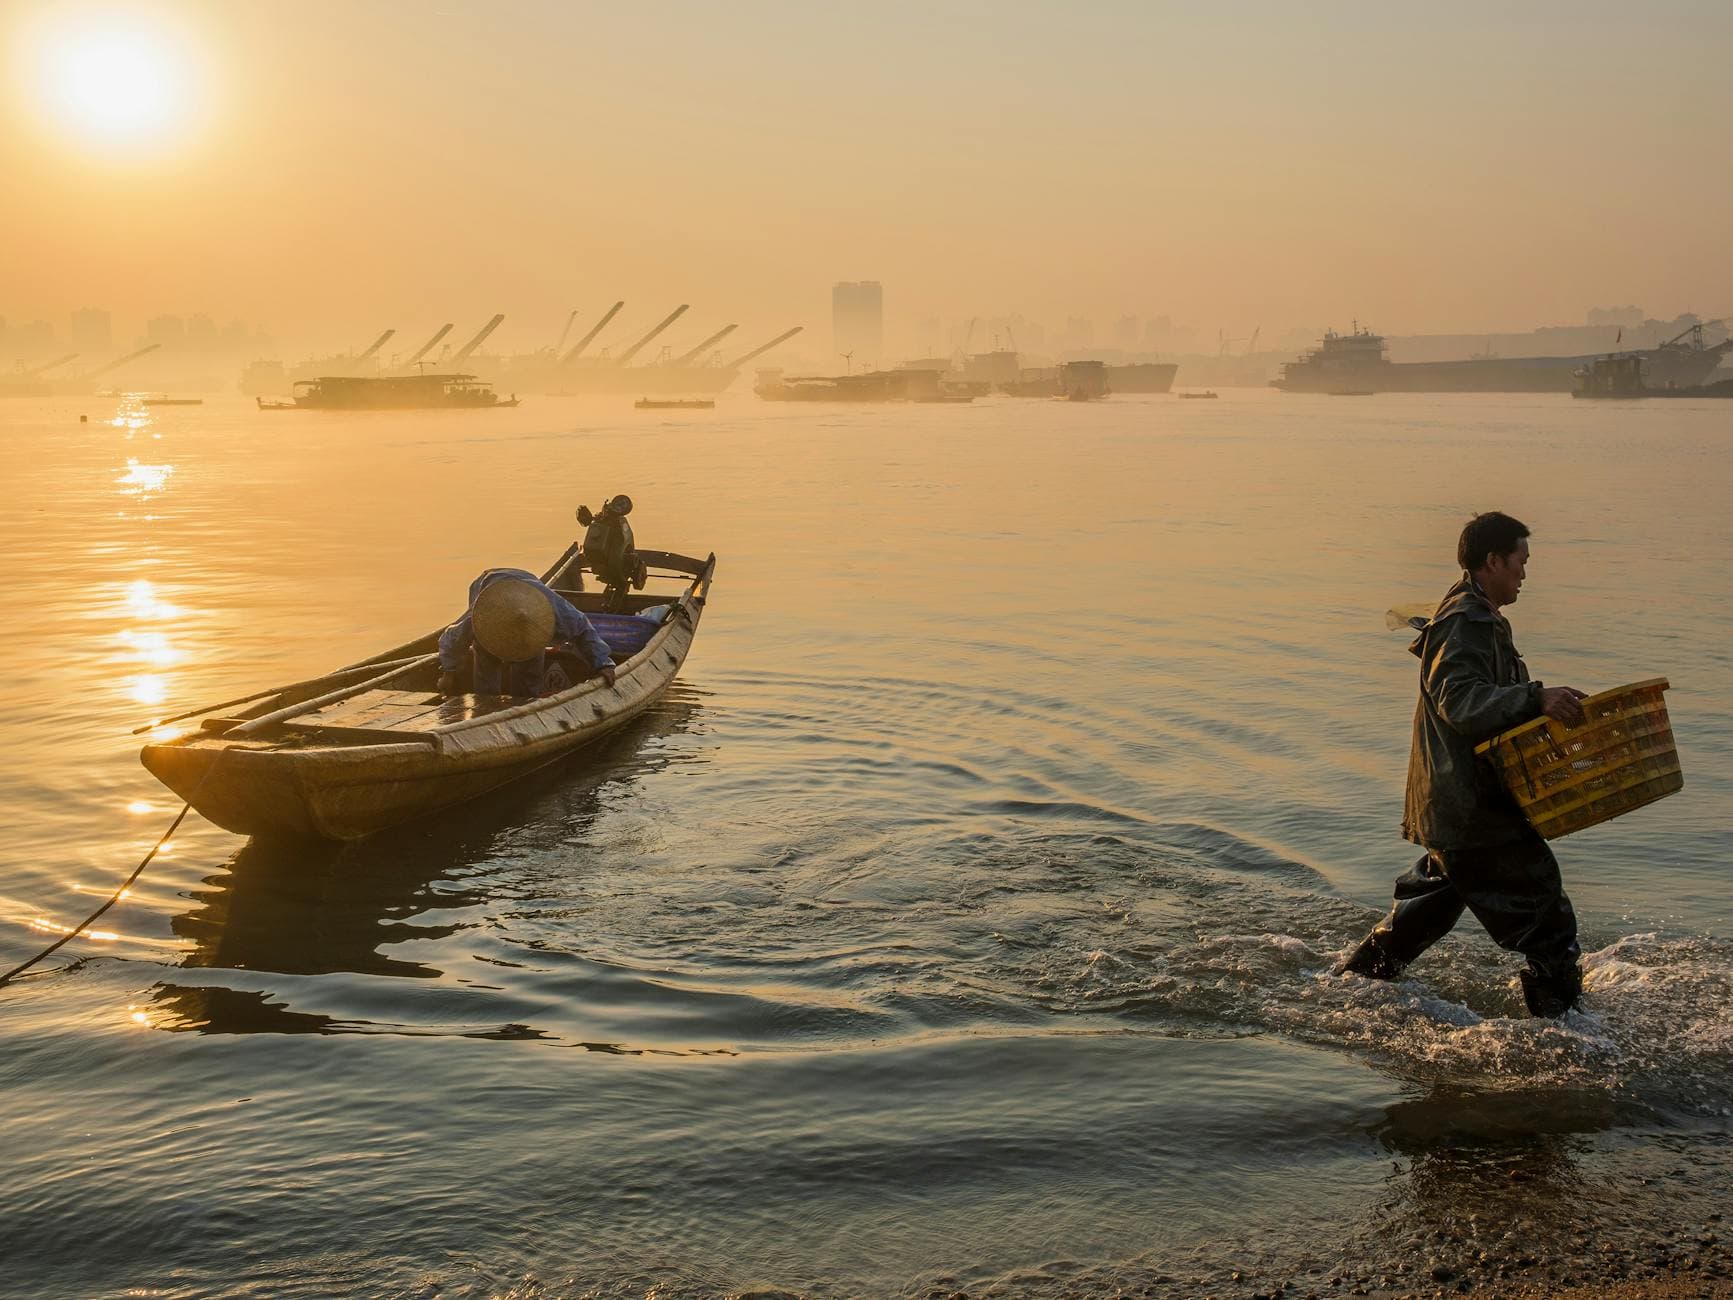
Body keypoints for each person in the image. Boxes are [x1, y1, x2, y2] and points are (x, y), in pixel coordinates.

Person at [1341, 512, 1590, 1017]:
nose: (1525, 574)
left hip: (1455, 804)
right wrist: (1536, 698)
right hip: (1473, 809)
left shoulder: (1479, 618)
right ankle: (1569, 1037)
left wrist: (1535, 704)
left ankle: (1345, 990)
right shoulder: (1464, 622)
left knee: (1420, 917)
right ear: (1492, 560)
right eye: (1520, 562)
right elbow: (1462, 703)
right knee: (1546, 915)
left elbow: (1487, 699)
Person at [437, 568, 616, 698]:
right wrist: (448, 673)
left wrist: (602, 664)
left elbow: (583, 628)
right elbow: (450, 639)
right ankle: (486, 704)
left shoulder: (554, 610)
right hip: (488, 584)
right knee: (486, 666)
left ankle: (525, 702)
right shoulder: (482, 617)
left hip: (528, 592)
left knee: (528, 681)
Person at [577, 495, 646, 612]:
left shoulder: (617, 525)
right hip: (612, 565)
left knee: (597, 544)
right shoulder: (601, 522)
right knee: (596, 544)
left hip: (616, 565)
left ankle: (613, 574)